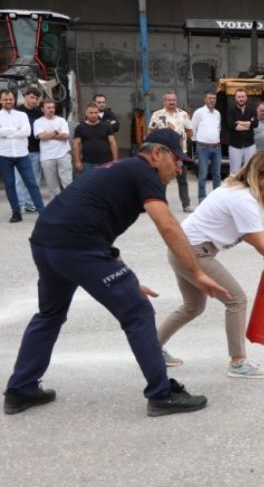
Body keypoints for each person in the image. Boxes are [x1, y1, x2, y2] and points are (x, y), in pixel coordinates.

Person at [2, 129, 230, 417]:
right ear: (157, 154)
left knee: (50, 314)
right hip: (77, 246)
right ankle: (162, 394)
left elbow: (96, 224)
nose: (179, 168)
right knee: (138, 312)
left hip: (47, 242)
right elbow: (169, 226)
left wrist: (124, 276)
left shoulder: (122, 169)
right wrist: (197, 273)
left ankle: (21, 389)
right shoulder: (144, 171)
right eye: (176, 159)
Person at [157, 150, 264, 377]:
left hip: (181, 249)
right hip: (193, 253)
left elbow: (252, 240)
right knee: (237, 300)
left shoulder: (235, 189)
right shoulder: (242, 199)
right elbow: (263, 247)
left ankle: (152, 349)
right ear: (261, 174)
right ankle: (238, 362)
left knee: (193, 307)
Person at [0, 89, 45, 223]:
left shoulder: (22, 115)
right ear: (1, 100)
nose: (8, 101)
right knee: (9, 185)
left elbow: (27, 131)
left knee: (32, 183)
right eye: (6, 99)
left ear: (14, 100)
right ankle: (16, 212)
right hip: (4, 155)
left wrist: (5, 133)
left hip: (22, 155)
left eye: (11, 99)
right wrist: (16, 130)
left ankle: (42, 211)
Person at [149, 91, 193, 213]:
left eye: (174, 100)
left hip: (179, 154)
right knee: (162, 180)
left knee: (182, 180)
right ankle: (161, 205)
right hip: (163, 154)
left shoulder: (184, 115)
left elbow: (190, 132)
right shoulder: (157, 115)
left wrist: (179, 140)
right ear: (164, 101)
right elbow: (150, 133)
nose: (172, 102)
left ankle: (186, 205)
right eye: (169, 100)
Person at [33, 99, 73, 194]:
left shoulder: (61, 120)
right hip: (47, 157)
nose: (51, 110)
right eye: (48, 108)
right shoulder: (38, 122)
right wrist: (56, 132)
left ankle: (70, 205)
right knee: (52, 185)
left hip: (63, 155)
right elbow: (41, 137)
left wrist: (48, 135)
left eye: (53, 107)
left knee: (68, 182)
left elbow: (65, 136)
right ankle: (56, 205)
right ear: (42, 109)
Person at [14, 88, 43, 214]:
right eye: (32, 97)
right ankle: (19, 204)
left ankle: (30, 204)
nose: (34, 100)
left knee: (34, 179)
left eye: (36, 98)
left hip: (36, 150)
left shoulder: (39, 113)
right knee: (19, 179)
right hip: (20, 150)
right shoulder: (17, 111)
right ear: (25, 96)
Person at [191, 91, 223, 202]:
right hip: (203, 148)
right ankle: (202, 196)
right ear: (205, 100)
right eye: (210, 98)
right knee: (203, 174)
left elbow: (218, 128)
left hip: (216, 147)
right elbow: (193, 128)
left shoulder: (217, 113)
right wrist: (197, 142)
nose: (212, 100)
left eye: (214, 98)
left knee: (217, 175)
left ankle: (216, 197)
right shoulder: (199, 112)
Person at [73, 102, 118, 174]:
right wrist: (77, 161)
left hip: (105, 162)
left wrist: (115, 160)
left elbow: (113, 143)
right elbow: (76, 145)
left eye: (96, 112)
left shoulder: (107, 126)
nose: (94, 115)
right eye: (91, 113)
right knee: (88, 183)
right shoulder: (80, 128)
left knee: (104, 183)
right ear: (86, 113)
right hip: (87, 163)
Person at [226, 88, 258, 173]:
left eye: (243, 97)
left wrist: (240, 122)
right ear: (235, 98)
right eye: (239, 97)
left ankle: (248, 186)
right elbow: (231, 125)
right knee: (234, 171)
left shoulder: (252, 110)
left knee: (250, 170)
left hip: (250, 145)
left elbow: (255, 124)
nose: (241, 99)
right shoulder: (230, 110)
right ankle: (234, 186)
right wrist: (249, 124)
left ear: (246, 98)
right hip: (235, 146)